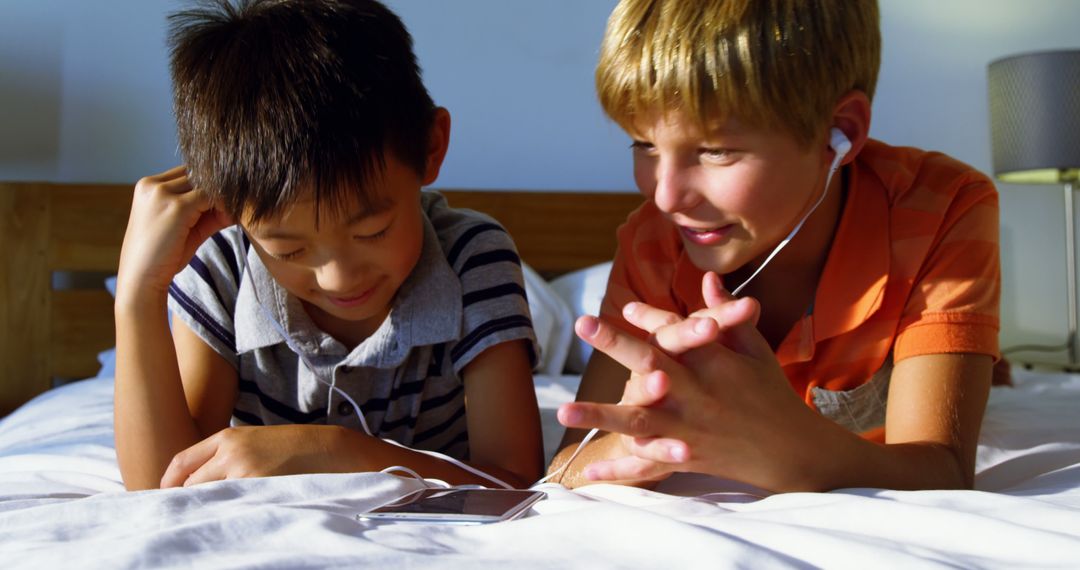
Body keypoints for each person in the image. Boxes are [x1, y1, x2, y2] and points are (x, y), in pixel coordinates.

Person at [549, 0, 1001, 493]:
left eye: (715, 150)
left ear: (840, 134)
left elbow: (944, 470)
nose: (666, 196)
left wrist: (783, 451)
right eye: (645, 146)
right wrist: (637, 438)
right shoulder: (650, 241)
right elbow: (565, 468)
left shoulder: (942, 205)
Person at [114, 0, 542, 491]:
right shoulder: (220, 268)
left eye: (372, 232)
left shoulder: (472, 256)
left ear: (431, 148)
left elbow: (514, 481)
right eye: (288, 250)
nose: (339, 276)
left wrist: (338, 451)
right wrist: (138, 295)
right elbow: (159, 488)